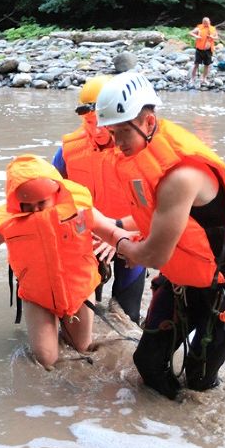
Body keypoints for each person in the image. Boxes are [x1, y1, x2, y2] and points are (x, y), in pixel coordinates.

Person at [93, 72, 225, 400]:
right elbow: (152, 215)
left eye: (123, 131)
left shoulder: (182, 175)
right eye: (112, 133)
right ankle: (165, 430)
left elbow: (154, 256)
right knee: (149, 363)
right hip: (185, 280)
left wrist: (109, 233)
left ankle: (205, 432)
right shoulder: (144, 156)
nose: (118, 143)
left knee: (199, 379)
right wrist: (117, 225)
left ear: (149, 120)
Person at [0, 154, 115, 369]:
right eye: (27, 205)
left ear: (56, 194)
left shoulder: (78, 209)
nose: (35, 210)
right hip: (37, 295)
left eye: (41, 203)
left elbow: (111, 229)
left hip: (79, 290)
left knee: (82, 347)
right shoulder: (11, 221)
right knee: (46, 361)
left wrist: (121, 243)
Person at [52, 75, 147, 324]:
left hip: (129, 237)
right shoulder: (68, 150)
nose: (96, 130)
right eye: (89, 121)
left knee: (127, 317)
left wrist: (117, 238)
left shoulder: (135, 150)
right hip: (86, 238)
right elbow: (53, 198)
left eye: (102, 123)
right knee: (82, 317)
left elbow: (152, 210)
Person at [189, 17, 218, 86]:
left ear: (209, 22)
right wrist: (196, 36)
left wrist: (212, 37)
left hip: (208, 50)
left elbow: (216, 37)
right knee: (196, 64)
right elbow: (190, 33)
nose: (206, 24)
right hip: (199, 49)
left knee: (207, 65)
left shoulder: (212, 28)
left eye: (207, 22)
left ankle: (204, 79)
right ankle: (192, 79)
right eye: (205, 22)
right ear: (203, 22)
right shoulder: (199, 28)